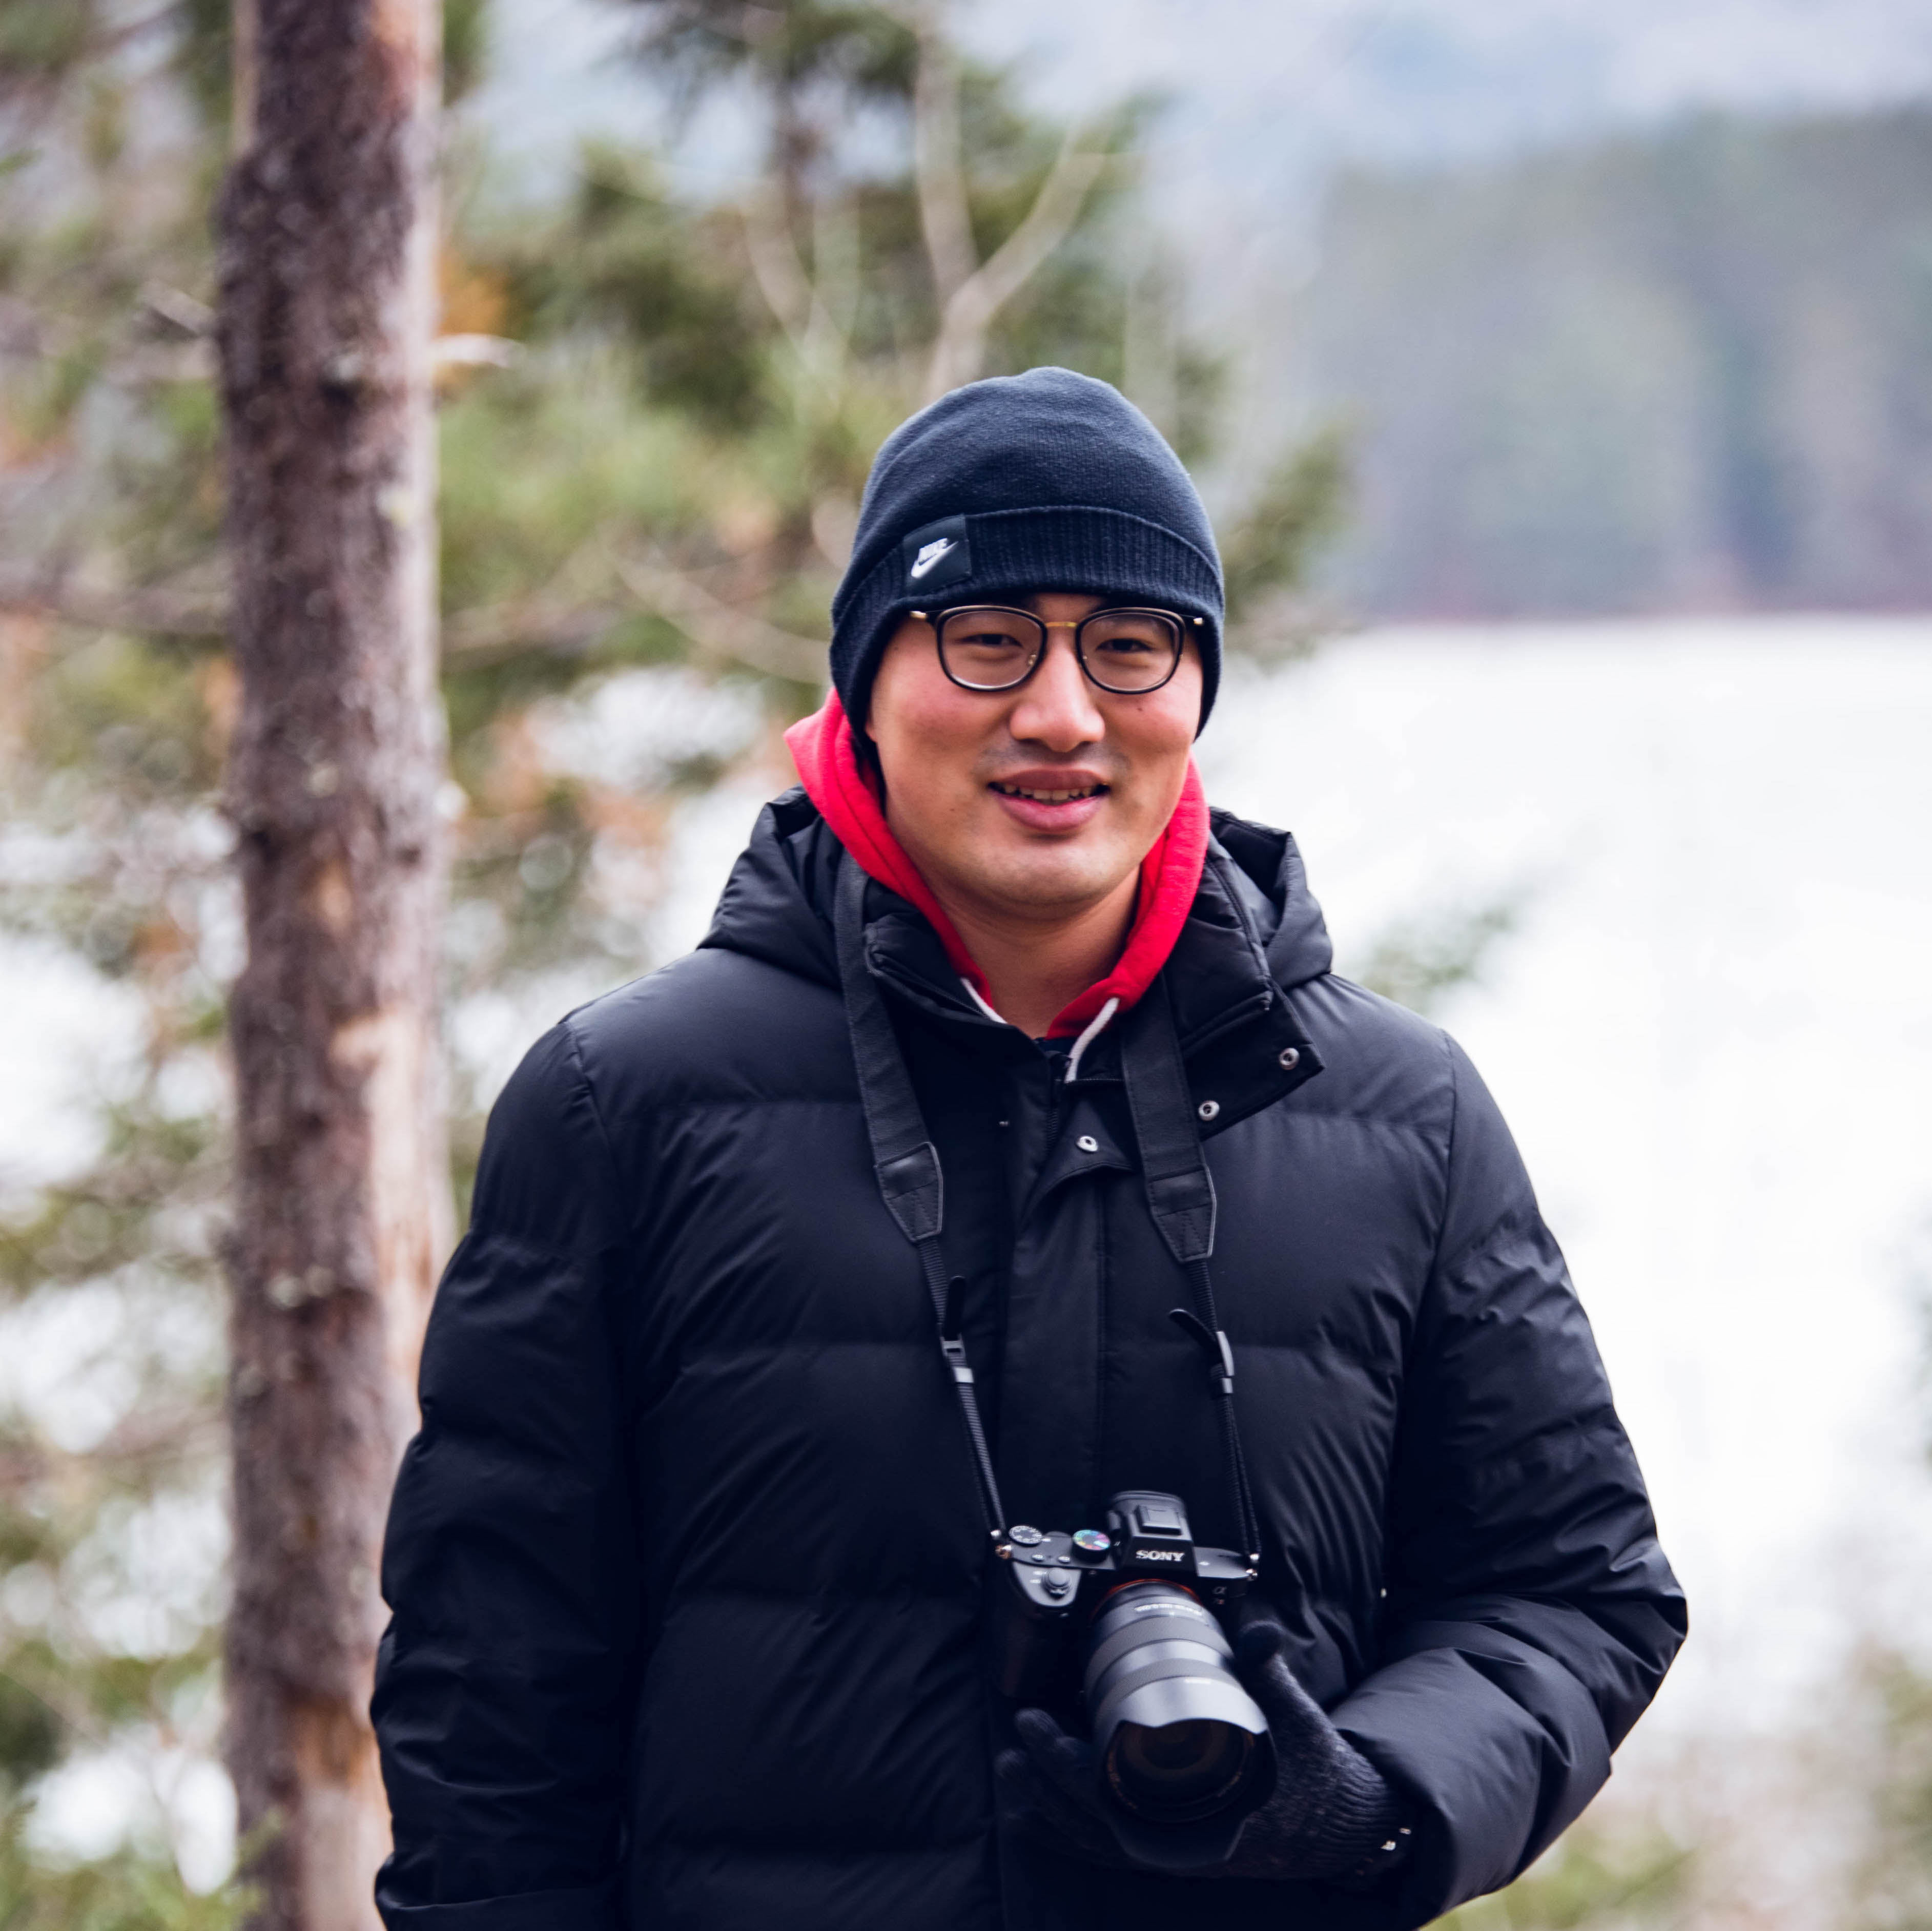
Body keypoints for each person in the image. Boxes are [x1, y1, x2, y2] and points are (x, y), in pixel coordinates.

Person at [372, 367, 1685, 1931]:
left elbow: (1574, 1585)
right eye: (987, 638)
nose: (1061, 713)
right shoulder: (630, 1103)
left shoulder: (1397, 1113)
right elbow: (492, 1691)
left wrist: (1380, 1798)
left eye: (1130, 647)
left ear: (1194, 691)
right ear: (867, 675)